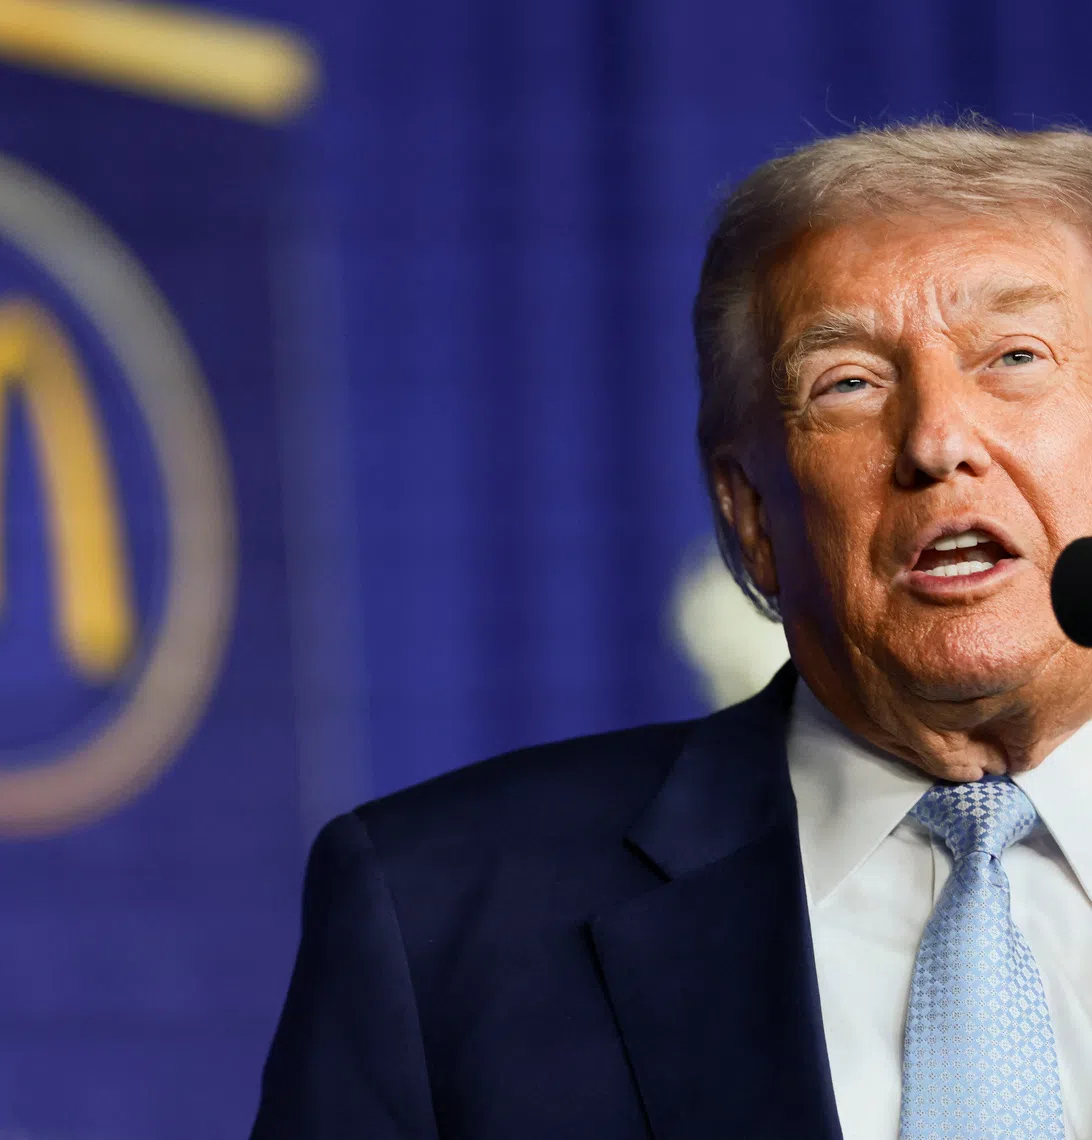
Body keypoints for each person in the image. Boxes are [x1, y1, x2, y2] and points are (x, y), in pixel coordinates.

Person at [250, 119, 1092, 1139]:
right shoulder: (442, 912)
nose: (937, 439)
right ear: (749, 515)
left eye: (1014, 354)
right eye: (850, 384)